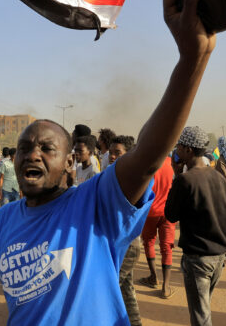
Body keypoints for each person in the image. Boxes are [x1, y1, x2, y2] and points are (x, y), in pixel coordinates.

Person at [0, 0, 216, 325]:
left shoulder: (95, 202)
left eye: (47, 148)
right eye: (25, 148)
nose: (33, 154)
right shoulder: (3, 221)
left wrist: (191, 58)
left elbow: (149, 155)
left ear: (69, 161)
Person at [165, 127, 226, 326]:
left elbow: (170, 215)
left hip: (198, 259)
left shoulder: (185, 180)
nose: (176, 149)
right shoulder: (220, 178)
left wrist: (176, 176)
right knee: (204, 309)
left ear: (187, 149)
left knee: (201, 318)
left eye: (178, 146)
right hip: (219, 257)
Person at [103, 134, 144, 324]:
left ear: (129, 155)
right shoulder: (113, 177)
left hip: (126, 246)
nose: (112, 157)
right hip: (121, 245)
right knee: (127, 291)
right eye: (110, 153)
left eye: (117, 153)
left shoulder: (128, 181)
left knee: (106, 293)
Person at [138, 145, 177, 300]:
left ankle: (154, 277)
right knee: (167, 247)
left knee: (148, 242)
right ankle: (166, 287)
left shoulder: (149, 165)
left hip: (151, 211)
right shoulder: (173, 164)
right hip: (168, 211)